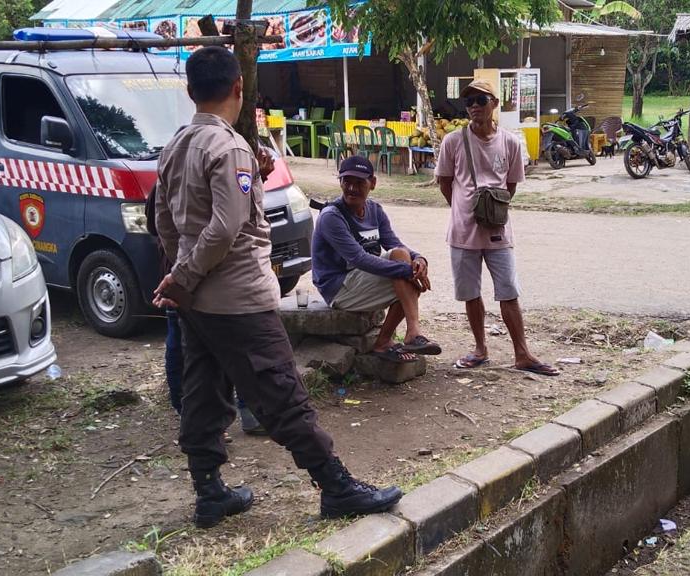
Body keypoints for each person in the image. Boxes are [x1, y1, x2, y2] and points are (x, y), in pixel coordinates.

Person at [151, 46, 401, 529]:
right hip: (239, 299)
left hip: (197, 305)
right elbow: (226, 228)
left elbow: (164, 220)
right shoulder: (229, 148)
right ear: (239, 87)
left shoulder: (175, 146)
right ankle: (335, 486)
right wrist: (186, 276)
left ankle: (209, 492)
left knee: (203, 392)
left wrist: (182, 274)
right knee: (283, 393)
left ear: (190, 91)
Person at [436, 79, 560, 377]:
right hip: (462, 232)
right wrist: (465, 208)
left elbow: (511, 185)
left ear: (494, 103)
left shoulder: (510, 142)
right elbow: (445, 182)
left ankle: (522, 354)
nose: (474, 106)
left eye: (481, 100)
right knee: (470, 293)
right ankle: (480, 349)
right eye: (469, 102)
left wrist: (492, 210)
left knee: (508, 291)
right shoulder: (453, 141)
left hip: (498, 231)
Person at [143, 190, 265, 435]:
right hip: (191, 278)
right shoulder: (178, 179)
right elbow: (160, 226)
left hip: (212, 278)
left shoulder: (215, 177)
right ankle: (196, 417)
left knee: (225, 346)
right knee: (190, 348)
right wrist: (182, 270)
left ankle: (224, 415)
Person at [312, 155, 439, 362]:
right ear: (340, 182)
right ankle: (406, 336)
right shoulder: (331, 217)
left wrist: (419, 260)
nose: (352, 188)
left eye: (359, 183)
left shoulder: (375, 210)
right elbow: (359, 259)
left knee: (402, 257)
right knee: (405, 275)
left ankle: (394, 339)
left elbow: (394, 243)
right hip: (338, 287)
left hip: (360, 280)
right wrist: (409, 270)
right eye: (347, 181)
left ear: (372, 183)